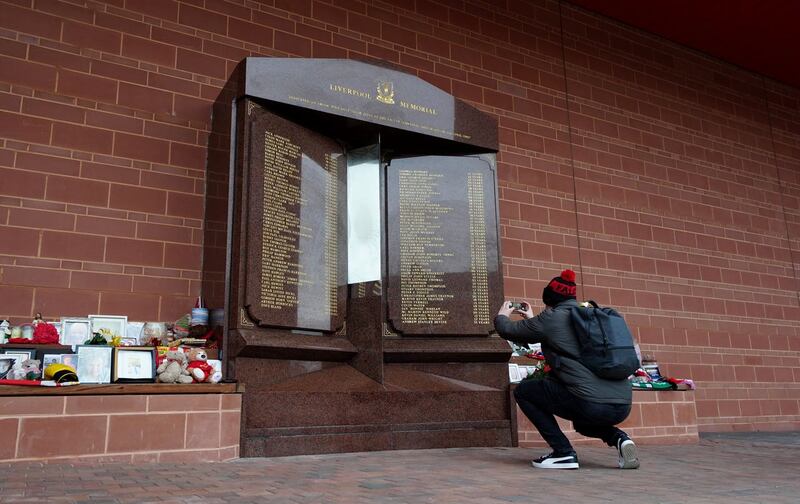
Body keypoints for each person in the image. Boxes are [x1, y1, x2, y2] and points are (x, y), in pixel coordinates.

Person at [494, 269, 639, 470]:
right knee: (582, 422)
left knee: (525, 392)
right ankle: (620, 439)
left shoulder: (551, 317)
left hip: (590, 402)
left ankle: (563, 453)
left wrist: (502, 316)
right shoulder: (588, 315)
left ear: (550, 298)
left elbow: (509, 330)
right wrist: (533, 318)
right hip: (622, 405)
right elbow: (559, 338)